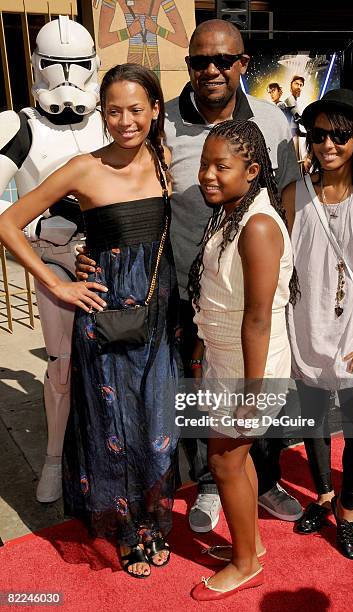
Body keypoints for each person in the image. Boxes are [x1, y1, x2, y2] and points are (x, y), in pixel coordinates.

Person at [77, 19, 303, 534]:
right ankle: (207, 482)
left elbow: (287, 201)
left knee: (253, 387)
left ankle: (262, 478)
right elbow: (115, 186)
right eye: (200, 61)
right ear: (189, 67)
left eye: (224, 60)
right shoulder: (163, 126)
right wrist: (83, 250)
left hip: (252, 292)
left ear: (243, 63)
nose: (212, 70)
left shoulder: (272, 122)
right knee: (203, 393)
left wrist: (286, 273)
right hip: (182, 290)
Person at [0, 63, 180, 579]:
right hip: (105, 316)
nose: (125, 121)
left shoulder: (162, 158)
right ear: (103, 112)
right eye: (114, 110)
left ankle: (152, 521)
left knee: (155, 425)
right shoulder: (83, 167)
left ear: (155, 110)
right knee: (115, 428)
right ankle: (126, 533)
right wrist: (57, 281)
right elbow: (9, 222)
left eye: (136, 109)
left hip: (158, 315)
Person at [283, 88, 353, 559]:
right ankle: (325, 496)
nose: (327, 144)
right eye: (318, 134)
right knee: (312, 422)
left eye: (340, 135)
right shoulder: (294, 193)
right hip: (306, 324)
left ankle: (347, 512)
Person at [188, 119, 298, 601]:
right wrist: (201, 345)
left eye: (222, 166)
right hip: (228, 358)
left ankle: (245, 561)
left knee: (224, 460)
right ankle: (249, 545)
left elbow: (257, 318)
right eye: (204, 163)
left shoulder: (256, 225)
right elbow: (219, 295)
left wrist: (252, 397)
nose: (208, 174)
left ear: (252, 170)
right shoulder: (233, 211)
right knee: (238, 458)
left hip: (250, 369)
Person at [0, 16, 107, 503]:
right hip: (53, 259)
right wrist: (36, 222)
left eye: (77, 65)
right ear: (37, 66)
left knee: (115, 362)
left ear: (94, 66)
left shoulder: (113, 119)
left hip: (108, 255)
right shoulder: (18, 126)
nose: (66, 77)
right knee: (61, 365)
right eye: (55, 65)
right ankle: (54, 457)